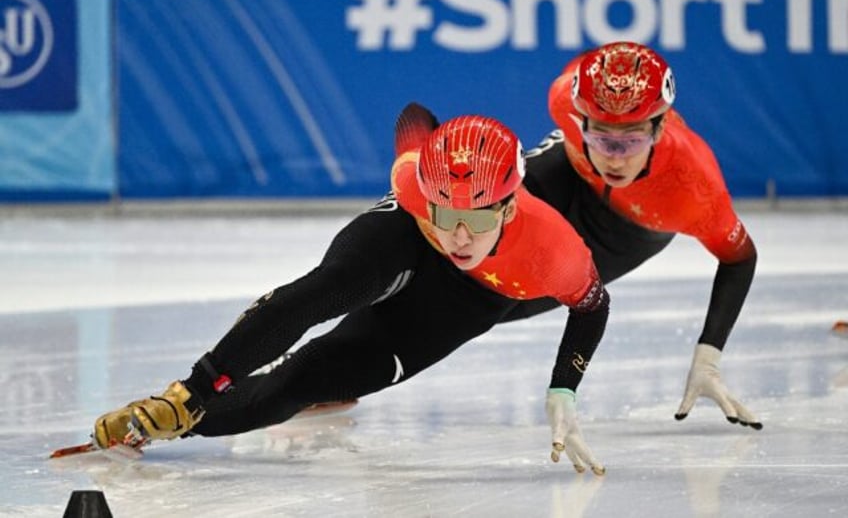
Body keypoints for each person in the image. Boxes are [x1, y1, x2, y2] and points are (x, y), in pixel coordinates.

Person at [92, 103, 611, 474]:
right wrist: (197, 391)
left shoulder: (553, 250)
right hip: (405, 236)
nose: (458, 235)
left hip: (467, 301)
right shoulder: (414, 184)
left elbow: (592, 306)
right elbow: (413, 118)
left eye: (476, 220)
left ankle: (173, 425)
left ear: (509, 206)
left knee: (302, 383)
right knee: (327, 289)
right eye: (447, 213)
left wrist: (564, 385)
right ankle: (184, 398)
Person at [506, 41, 761, 429]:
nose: (616, 157)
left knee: (499, 300)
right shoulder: (565, 100)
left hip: (626, 235)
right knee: (477, 220)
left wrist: (708, 357)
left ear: (659, 127)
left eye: (633, 139)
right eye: (603, 136)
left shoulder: (693, 186)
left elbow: (740, 257)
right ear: (581, 120)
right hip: (571, 175)